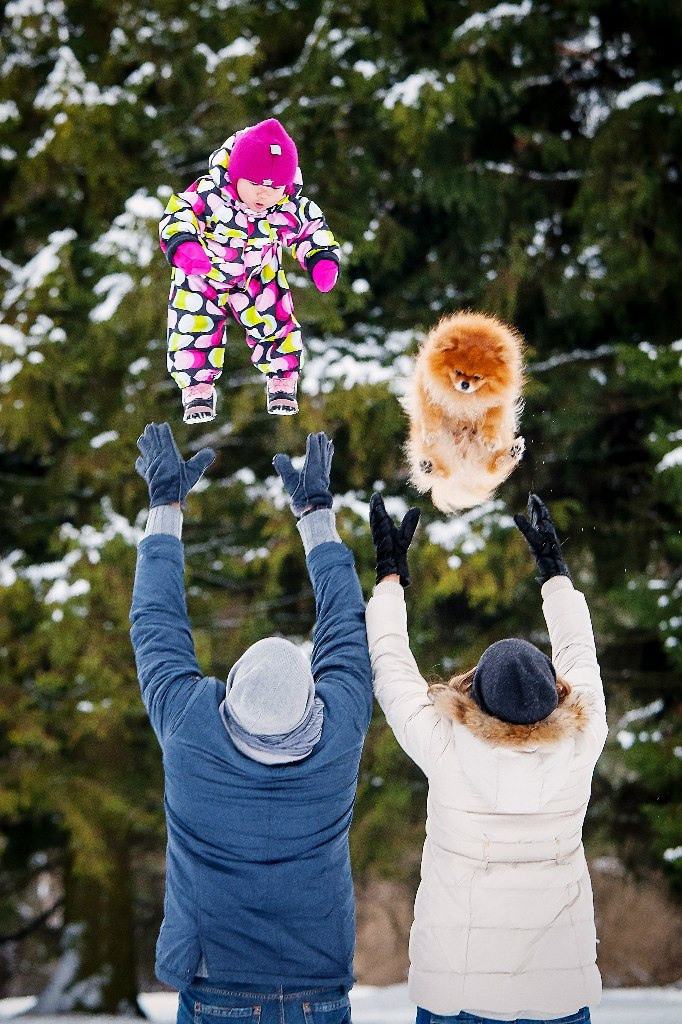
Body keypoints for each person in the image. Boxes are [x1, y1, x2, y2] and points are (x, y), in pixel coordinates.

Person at [130, 424, 371, 1024]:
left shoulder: (191, 728)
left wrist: (165, 507)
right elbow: (345, 624)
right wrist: (316, 515)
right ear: (311, 698)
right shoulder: (336, 730)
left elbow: (156, 624)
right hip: (319, 994)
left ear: (230, 693)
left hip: (218, 991)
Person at [365, 492, 608, 1024]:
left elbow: (390, 664)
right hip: (558, 992)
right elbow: (580, 651)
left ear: (472, 691)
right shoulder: (582, 738)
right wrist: (555, 572)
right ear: (558, 692)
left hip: (460, 993)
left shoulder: (447, 746)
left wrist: (390, 576)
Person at [159, 118, 340, 422]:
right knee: (193, 324)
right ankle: (197, 387)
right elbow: (179, 213)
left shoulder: (286, 206)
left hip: (256, 273)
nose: (263, 195)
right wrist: (185, 246)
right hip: (204, 272)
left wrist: (321, 259)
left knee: (276, 317)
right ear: (236, 175)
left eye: (273, 188)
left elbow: (311, 229)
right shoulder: (211, 195)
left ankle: (282, 378)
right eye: (255, 185)